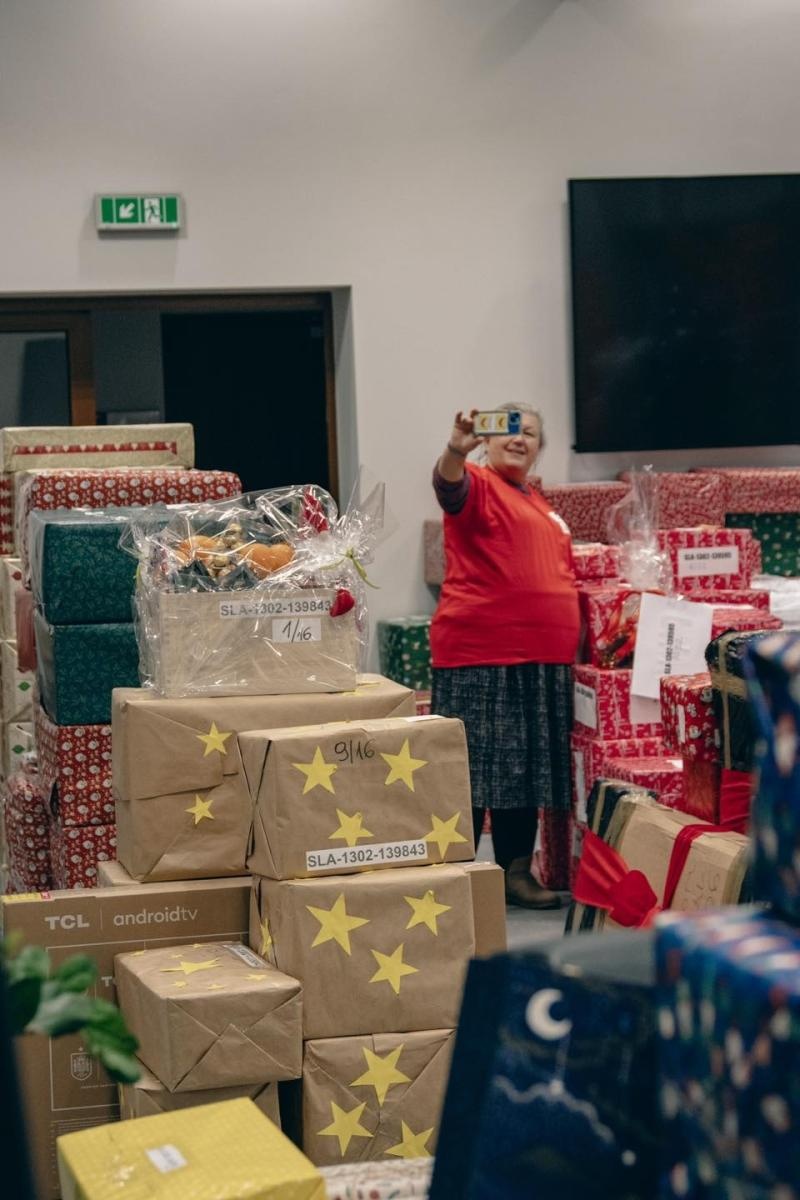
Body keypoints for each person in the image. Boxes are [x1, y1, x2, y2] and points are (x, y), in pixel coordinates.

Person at [430, 404, 579, 908]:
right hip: (482, 653)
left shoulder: (537, 499)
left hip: (541, 658)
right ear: (489, 440)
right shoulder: (476, 482)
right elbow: (448, 486)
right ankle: (455, 880)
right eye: (510, 430)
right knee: (470, 772)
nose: (520, 440)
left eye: (531, 433)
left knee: (524, 771)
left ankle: (515, 872)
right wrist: (456, 446)